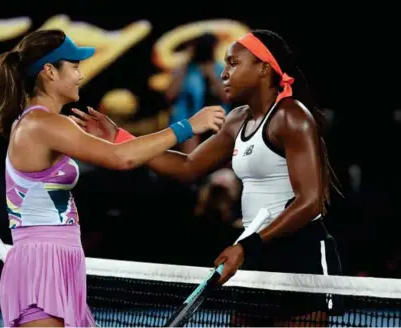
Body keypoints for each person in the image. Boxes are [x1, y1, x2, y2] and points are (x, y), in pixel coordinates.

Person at [71, 29, 343, 326]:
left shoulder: (292, 116)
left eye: (234, 64)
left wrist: (246, 246)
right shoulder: (237, 119)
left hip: (298, 256)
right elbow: (187, 165)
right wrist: (121, 138)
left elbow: (310, 202)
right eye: (224, 64)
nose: (224, 73)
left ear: (264, 68)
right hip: (254, 253)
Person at [0, 29, 225, 327]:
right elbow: (121, 158)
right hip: (40, 265)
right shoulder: (43, 123)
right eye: (74, 67)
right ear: (49, 71)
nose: (80, 75)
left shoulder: (42, 122)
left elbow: (120, 152)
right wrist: (187, 126)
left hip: (58, 260)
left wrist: (115, 137)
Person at [165, 33, 230, 153]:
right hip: (187, 119)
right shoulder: (183, 70)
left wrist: (213, 77)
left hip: (217, 119)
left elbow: (227, 97)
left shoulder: (220, 69)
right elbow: (169, 96)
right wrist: (183, 71)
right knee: (189, 134)